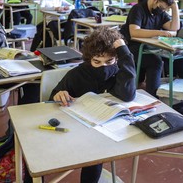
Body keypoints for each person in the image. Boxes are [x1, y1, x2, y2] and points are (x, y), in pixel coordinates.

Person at [49, 26, 136, 183]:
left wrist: (125, 53)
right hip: (72, 129)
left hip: (102, 132)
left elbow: (128, 95)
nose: (103, 66)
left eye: (109, 61)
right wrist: (58, 95)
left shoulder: (117, 72)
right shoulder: (76, 74)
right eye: (97, 61)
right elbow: (52, 98)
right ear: (89, 59)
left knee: (97, 152)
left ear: (117, 58)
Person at [120, 0, 183, 97]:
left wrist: (174, 7)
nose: (162, 10)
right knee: (155, 62)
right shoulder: (138, 9)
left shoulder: (160, 12)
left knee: (180, 55)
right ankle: (153, 96)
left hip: (151, 46)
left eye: (165, 9)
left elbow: (174, 28)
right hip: (133, 46)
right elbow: (134, 32)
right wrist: (160, 32)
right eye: (162, 7)